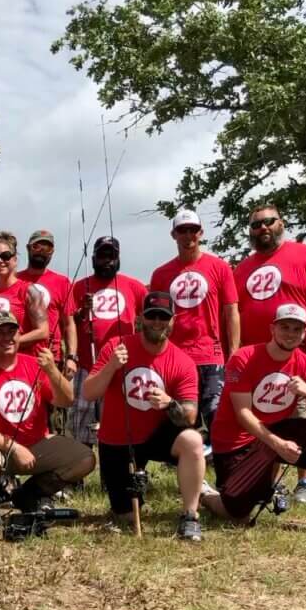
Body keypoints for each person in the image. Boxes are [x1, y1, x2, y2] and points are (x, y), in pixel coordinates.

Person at [201, 304, 306, 539]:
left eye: (297, 329)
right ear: (272, 328)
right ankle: (206, 494)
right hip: (236, 442)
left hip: (274, 434)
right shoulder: (245, 357)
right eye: (284, 327)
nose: (290, 333)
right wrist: (277, 444)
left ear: (304, 333)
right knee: (237, 515)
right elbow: (243, 414)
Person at [233, 203, 306, 506]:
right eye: (256, 225)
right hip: (258, 358)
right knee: (267, 415)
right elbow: (234, 311)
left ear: (282, 223)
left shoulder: (305, 254)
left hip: (298, 353)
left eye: (269, 221)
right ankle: (272, 481)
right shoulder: (244, 267)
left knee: (303, 413)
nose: (262, 228)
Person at [82, 290, 205, 540]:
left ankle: (191, 515)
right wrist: (111, 367)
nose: (157, 322)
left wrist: (170, 403)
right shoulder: (116, 348)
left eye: (163, 316)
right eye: (151, 316)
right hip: (119, 441)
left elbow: (190, 416)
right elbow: (88, 393)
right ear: (140, 318)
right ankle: (134, 494)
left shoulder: (182, 362)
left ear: (173, 320)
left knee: (193, 440)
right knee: (125, 516)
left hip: (156, 435)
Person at [0, 312, 95, 512]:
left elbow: (67, 400)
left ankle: (29, 494)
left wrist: (52, 371)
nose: (7, 337)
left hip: (35, 444)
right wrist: (14, 448)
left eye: (12, 331)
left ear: (20, 335)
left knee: (85, 459)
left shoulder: (35, 364)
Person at [149, 208, 240, 442]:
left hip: (211, 354)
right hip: (176, 356)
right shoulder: (160, 274)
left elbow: (231, 312)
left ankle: (221, 461)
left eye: (193, 230)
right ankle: (186, 462)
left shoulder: (220, 267)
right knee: (180, 416)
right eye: (182, 230)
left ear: (201, 233)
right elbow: (155, 319)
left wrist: (234, 353)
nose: (188, 235)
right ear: (174, 234)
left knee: (215, 414)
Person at [70, 236, 146, 449]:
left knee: (119, 417)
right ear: (93, 258)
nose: (107, 260)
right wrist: (82, 311)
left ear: (118, 258)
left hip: (122, 364)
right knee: (81, 419)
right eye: (102, 256)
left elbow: (151, 316)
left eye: (111, 256)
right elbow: (68, 323)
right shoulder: (78, 287)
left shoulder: (134, 286)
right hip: (87, 365)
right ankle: (78, 472)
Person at [0, 232, 49, 348]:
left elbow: (42, 331)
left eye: (5, 256)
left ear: (15, 259)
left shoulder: (28, 290)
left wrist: (7, 343)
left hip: (21, 361)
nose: (0, 261)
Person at [18, 229, 77, 365]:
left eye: (47, 248)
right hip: (19, 357)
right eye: (36, 246)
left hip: (51, 358)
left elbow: (69, 324)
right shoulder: (15, 280)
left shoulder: (62, 282)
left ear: (52, 252)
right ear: (28, 248)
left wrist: (71, 357)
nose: (41, 251)